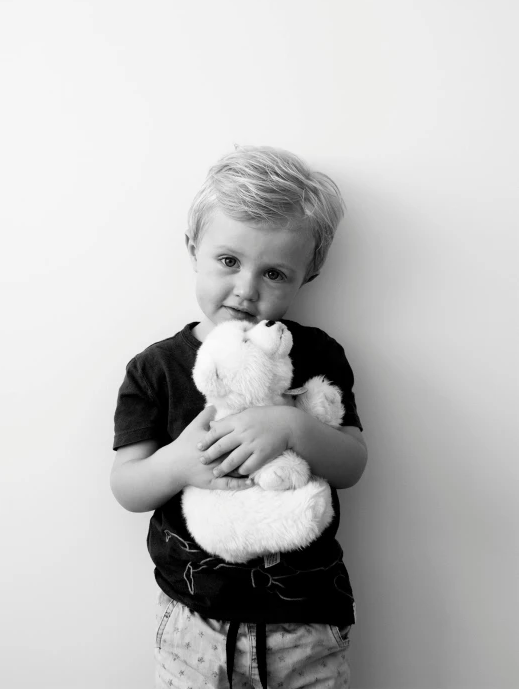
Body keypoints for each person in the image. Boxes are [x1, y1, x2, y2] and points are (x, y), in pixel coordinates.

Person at [111, 145, 368, 689]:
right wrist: (178, 464)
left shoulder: (317, 355)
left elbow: (351, 464)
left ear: (308, 276)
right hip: (193, 625)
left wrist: (295, 427)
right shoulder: (155, 368)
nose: (247, 289)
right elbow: (128, 487)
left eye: (274, 272)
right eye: (229, 261)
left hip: (306, 624)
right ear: (193, 249)